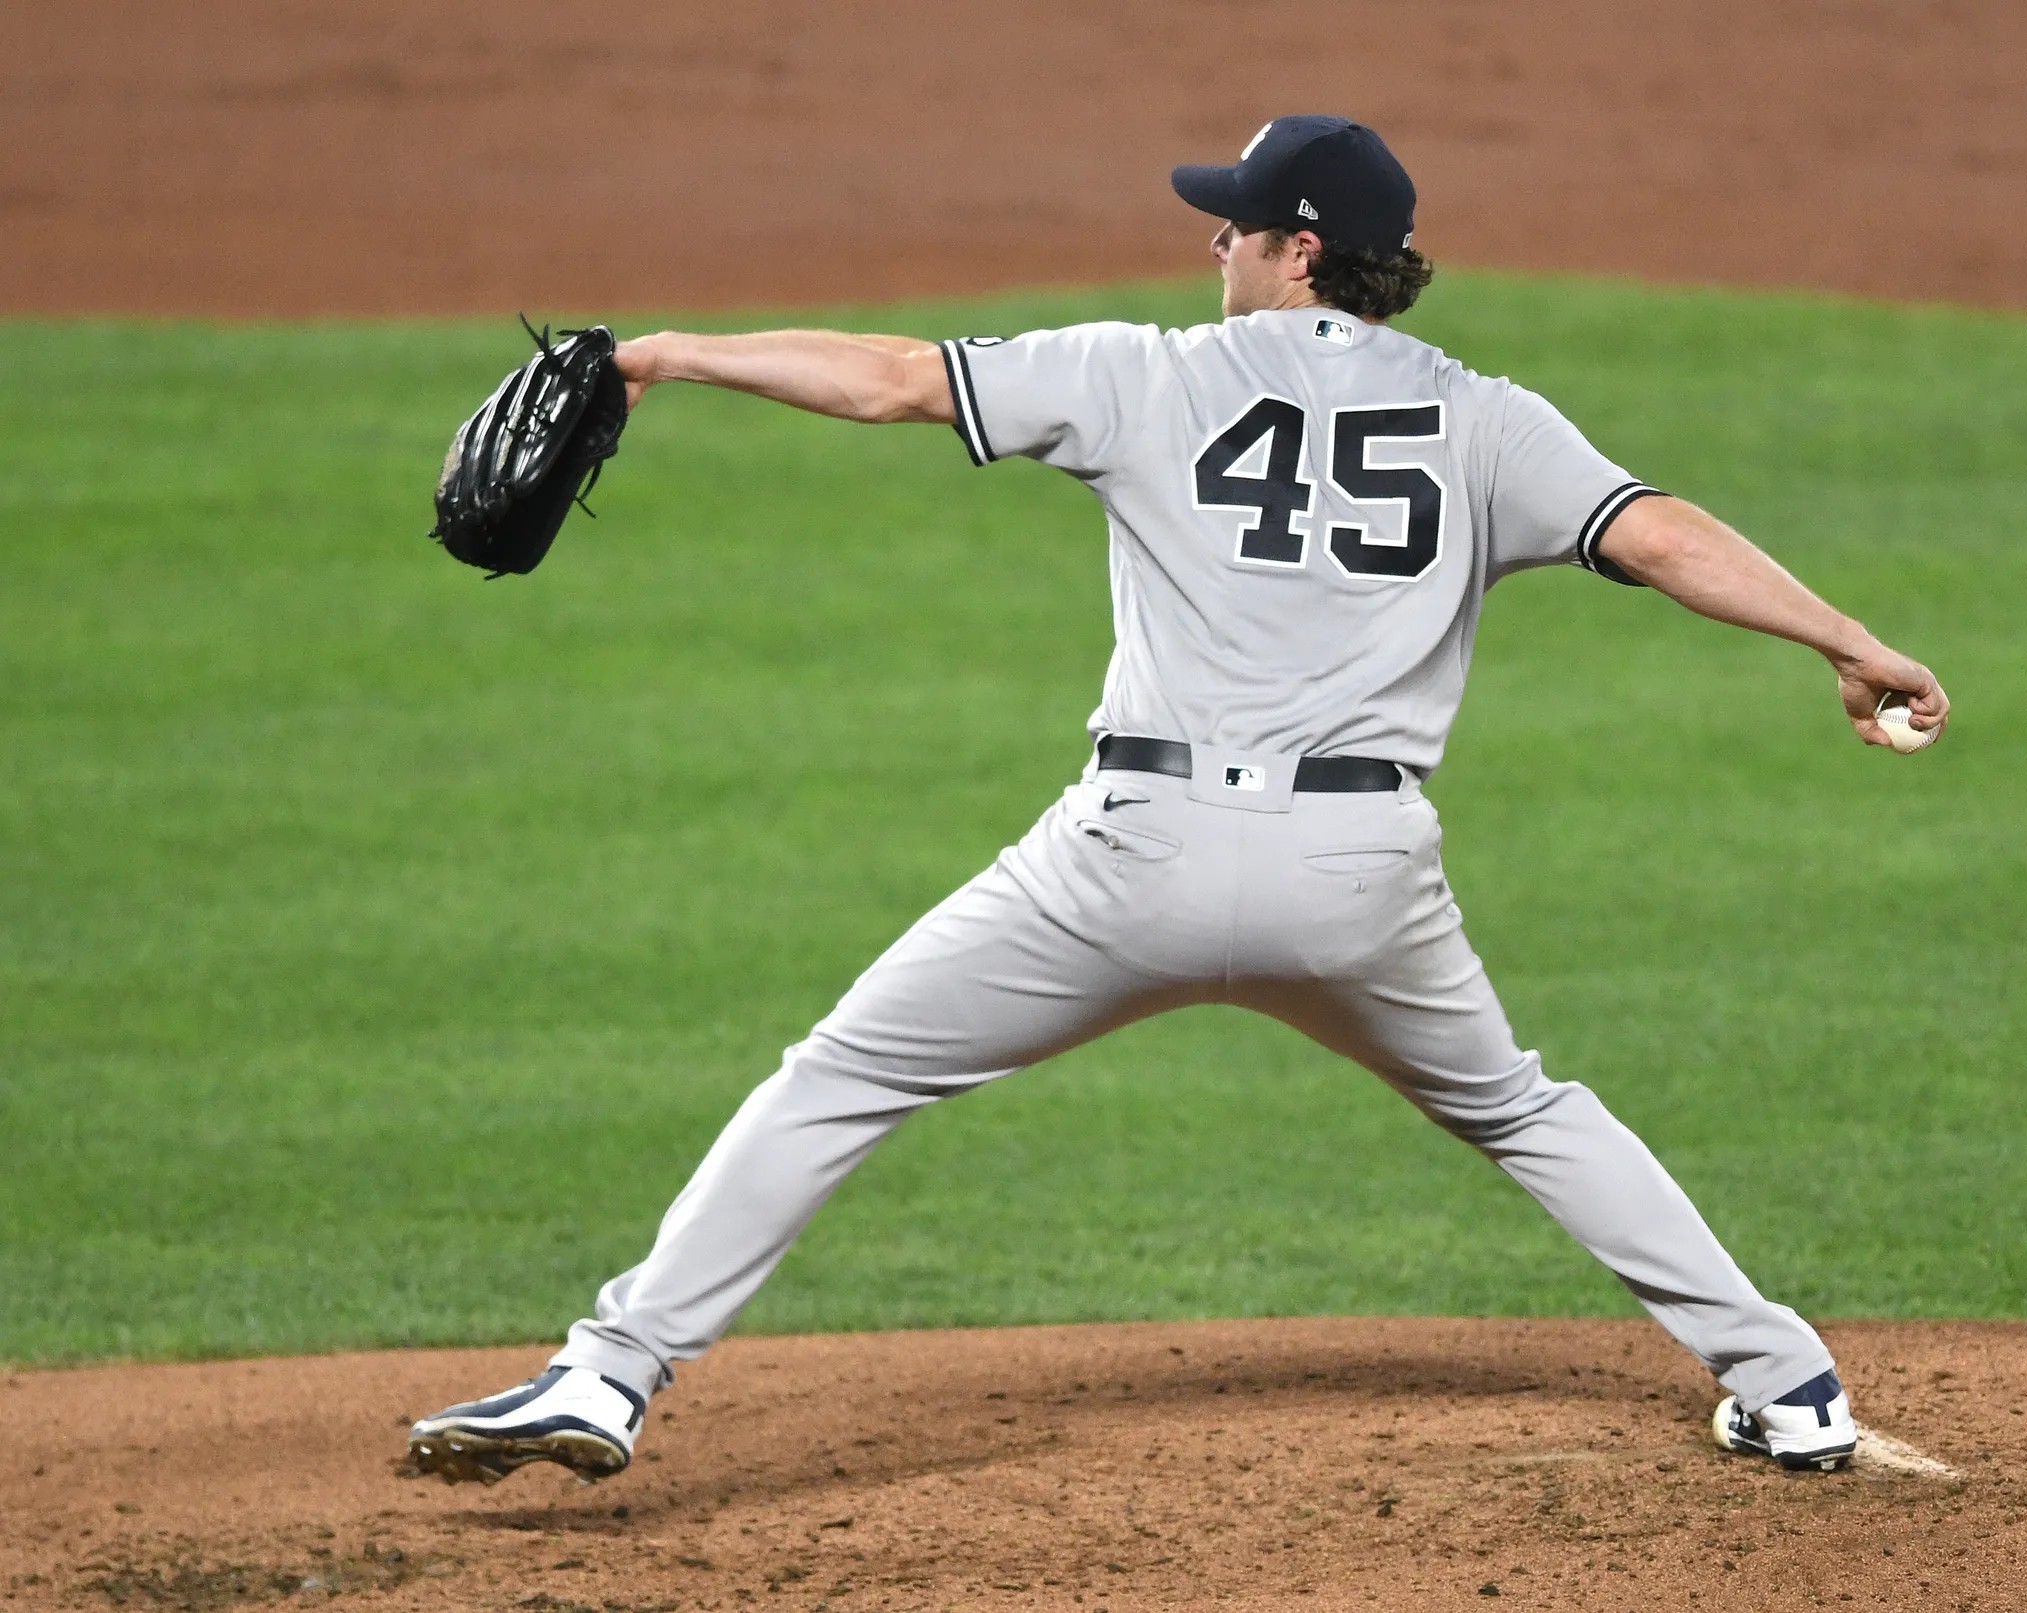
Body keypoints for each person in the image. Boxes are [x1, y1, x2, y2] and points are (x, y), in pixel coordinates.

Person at [407, 114, 1947, 1486]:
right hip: (1361, 873)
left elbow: (887, 381)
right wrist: (1851, 641)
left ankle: (609, 1373)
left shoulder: (1142, 371)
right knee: (1525, 1110)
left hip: (1125, 863)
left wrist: (666, 356)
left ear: (1298, 252)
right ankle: (1789, 1385)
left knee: (842, 1075)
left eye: (1234, 222)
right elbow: (1663, 537)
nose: (1211, 242)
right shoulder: (1490, 418)